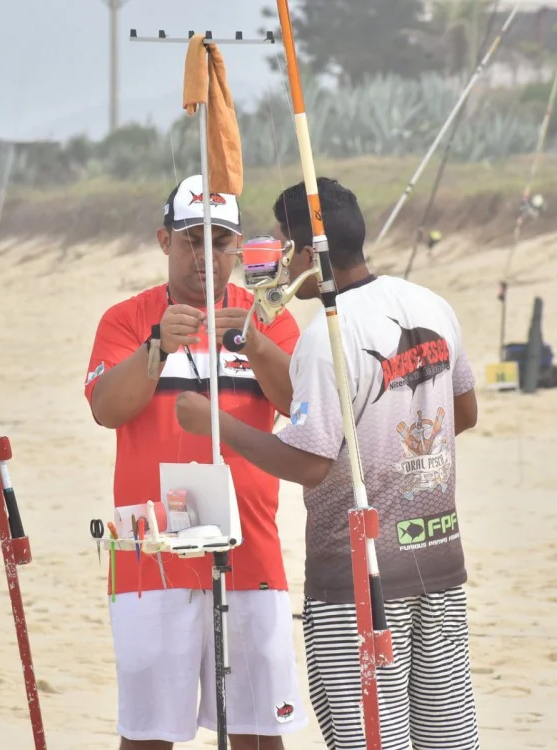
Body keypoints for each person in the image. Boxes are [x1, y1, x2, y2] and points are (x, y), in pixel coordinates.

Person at [175, 177, 481, 750]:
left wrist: (215, 424)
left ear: (300, 252)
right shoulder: (430, 304)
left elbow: (310, 463)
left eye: (274, 243)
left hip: (357, 581)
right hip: (439, 561)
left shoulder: (328, 335)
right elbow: (463, 412)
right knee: (447, 738)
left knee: (369, 737)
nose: (267, 260)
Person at [83, 173, 309, 749]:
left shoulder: (271, 317)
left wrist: (255, 343)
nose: (206, 256)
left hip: (251, 550)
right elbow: (107, 408)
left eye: (221, 241)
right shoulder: (126, 319)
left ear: (238, 246)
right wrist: (156, 346)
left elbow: (300, 408)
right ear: (165, 242)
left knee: (260, 733)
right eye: (190, 240)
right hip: (150, 555)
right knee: (150, 735)